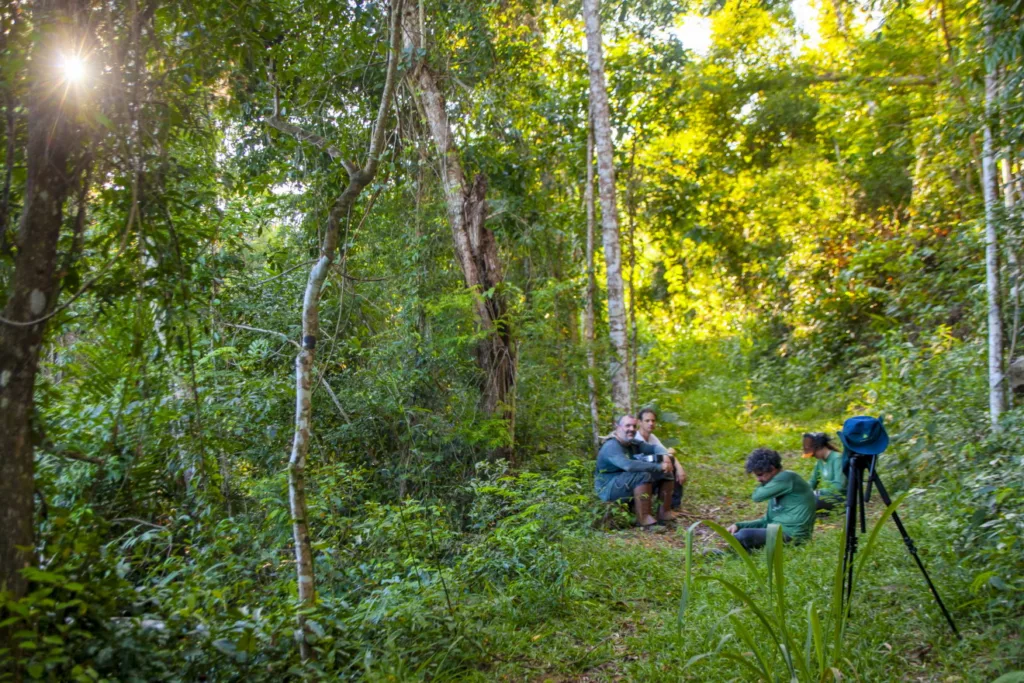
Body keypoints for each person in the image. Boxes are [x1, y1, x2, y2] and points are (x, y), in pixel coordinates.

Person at [594, 414, 677, 527]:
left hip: (624, 480)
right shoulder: (612, 446)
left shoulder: (632, 443)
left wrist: (664, 455)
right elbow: (628, 465)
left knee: (666, 472)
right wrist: (658, 467)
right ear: (617, 427)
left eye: (634, 426)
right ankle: (644, 519)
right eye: (627, 426)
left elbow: (653, 448)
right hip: (608, 487)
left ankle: (664, 514)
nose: (631, 429)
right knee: (642, 475)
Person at [726, 448, 816, 551]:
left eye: (760, 475)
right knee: (740, 533)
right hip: (778, 532)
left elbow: (757, 496)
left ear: (772, 469)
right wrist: (739, 525)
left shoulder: (786, 478)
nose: (758, 480)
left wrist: (763, 485)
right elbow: (767, 521)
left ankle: (728, 554)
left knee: (743, 535)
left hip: (793, 536)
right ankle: (730, 554)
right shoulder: (775, 486)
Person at [636, 407, 687, 509]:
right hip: (641, 475)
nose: (651, 423)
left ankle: (673, 505)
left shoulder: (652, 437)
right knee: (665, 464)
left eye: (653, 421)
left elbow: (667, 454)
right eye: (647, 421)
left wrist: (680, 468)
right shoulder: (636, 438)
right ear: (639, 422)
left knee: (672, 464)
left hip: (654, 470)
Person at [804, 431, 845, 511]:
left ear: (819, 447)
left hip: (840, 498)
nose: (813, 456)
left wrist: (819, 492)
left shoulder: (837, 459)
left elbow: (839, 485)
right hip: (825, 495)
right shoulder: (820, 461)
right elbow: (813, 481)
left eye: (813, 454)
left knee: (812, 500)